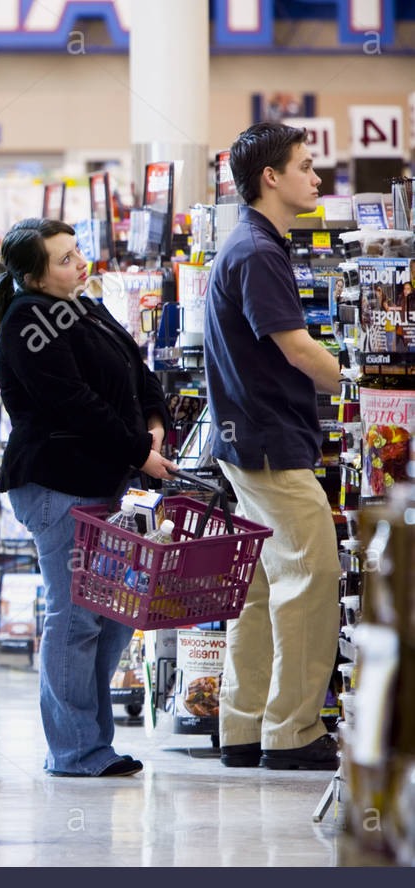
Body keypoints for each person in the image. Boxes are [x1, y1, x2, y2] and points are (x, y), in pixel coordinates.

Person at [0, 218, 174, 778]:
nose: (80, 264)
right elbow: (73, 403)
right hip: (58, 483)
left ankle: (94, 743)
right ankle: (75, 750)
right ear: (33, 276)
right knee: (75, 617)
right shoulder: (27, 320)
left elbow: (136, 367)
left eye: (77, 252)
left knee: (112, 616)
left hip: (106, 481)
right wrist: (140, 451)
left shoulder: (82, 305)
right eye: (65, 259)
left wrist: (154, 422)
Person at [204, 122, 342, 772]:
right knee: (312, 577)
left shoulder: (250, 244)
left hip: (246, 440)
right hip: (269, 444)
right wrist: (363, 383)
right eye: (306, 166)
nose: (316, 178)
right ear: (271, 177)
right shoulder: (258, 251)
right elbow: (298, 349)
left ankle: (244, 723)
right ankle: (293, 732)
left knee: (261, 588)